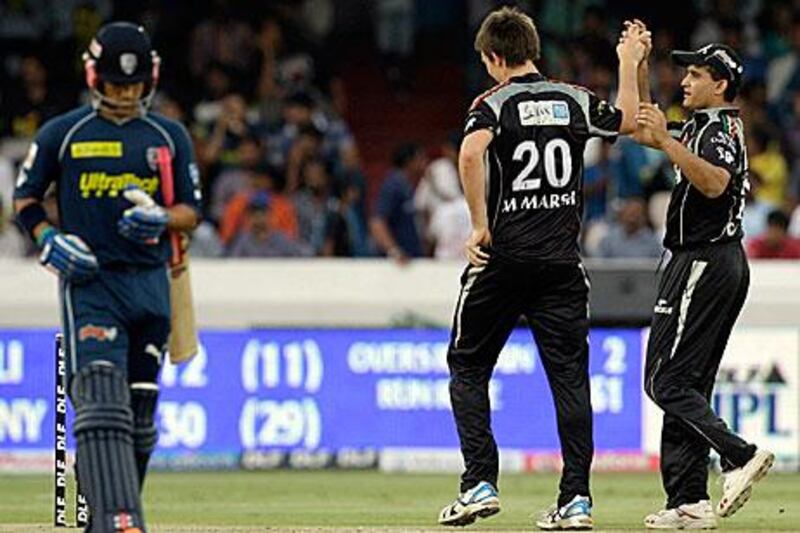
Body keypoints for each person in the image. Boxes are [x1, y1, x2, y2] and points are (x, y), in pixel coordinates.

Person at [437, 7, 647, 530]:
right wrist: (627, 63)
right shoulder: (572, 98)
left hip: (503, 260)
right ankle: (576, 499)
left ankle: (480, 482)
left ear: (493, 57)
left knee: (466, 367)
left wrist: (479, 223)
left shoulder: (493, 102)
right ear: (532, 50)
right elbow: (624, 120)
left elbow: (469, 155)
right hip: (560, 264)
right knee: (570, 381)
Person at [13, 23, 201, 533]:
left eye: (135, 85)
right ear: (95, 76)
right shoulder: (64, 133)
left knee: (139, 419)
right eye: (117, 85)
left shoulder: (168, 136)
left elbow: (191, 211)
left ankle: (102, 513)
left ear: (150, 80)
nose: (125, 95)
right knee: (99, 398)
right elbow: (25, 199)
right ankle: (122, 522)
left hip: (152, 284)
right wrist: (49, 239)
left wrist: (164, 218)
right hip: (91, 283)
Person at [632, 42, 774, 529]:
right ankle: (689, 500)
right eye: (685, 73)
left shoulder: (719, 128)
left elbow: (714, 183)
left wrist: (671, 145)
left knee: (663, 380)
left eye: (696, 74)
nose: (686, 82)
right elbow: (641, 126)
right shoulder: (701, 126)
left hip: (705, 259)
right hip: (713, 260)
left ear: (721, 84)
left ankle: (740, 455)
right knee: (686, 385)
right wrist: (636, 65)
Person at [370, 142, 427, 262]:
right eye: (420, 158)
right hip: (398, 263)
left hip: (412, 258)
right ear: (409, 161)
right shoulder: (393, 186)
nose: (425, 162)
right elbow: (377, 222)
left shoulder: (408, 186)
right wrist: (394, 250)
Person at [596, 197, 663, 258]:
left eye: (636, 215)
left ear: (644, 218)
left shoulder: (653, 242)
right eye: (630, 214)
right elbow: (598, 265)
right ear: (622, 215)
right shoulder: (609, 240)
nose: (632, 219)